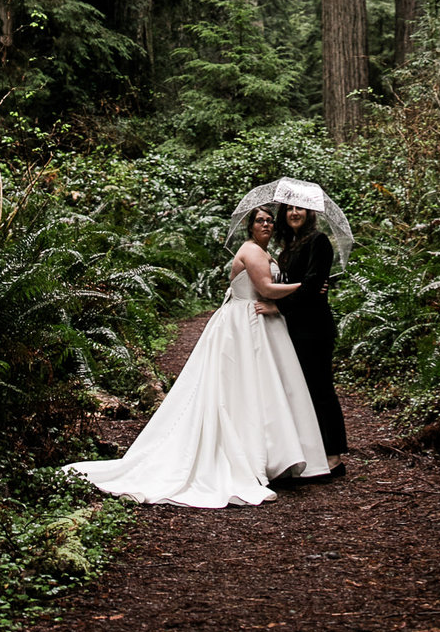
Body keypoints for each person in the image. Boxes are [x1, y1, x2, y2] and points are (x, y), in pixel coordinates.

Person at [63, 204, 331, 507]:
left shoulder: (268, 252)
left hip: (260, 322)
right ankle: (249, 454)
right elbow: (266, 289)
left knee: (260, 388)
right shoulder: (253, 251)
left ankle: (268, 452)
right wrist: (307, 286)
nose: (266, 224)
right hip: (244, 322)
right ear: (250, 226)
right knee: (240, 386)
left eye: (270, 220)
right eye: (260, 220)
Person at [276, 200, 349, 464]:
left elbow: (311, 285)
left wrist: (277, 307)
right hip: (294, 327)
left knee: (320, 388)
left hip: (314, 328)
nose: (294, 213)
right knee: (301, 389)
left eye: (299, 208)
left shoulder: (318, 241)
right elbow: (295, 285)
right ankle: (311, 451)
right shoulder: (288, 247)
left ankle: (333, 455)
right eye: (288, 209)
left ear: (309, 213)